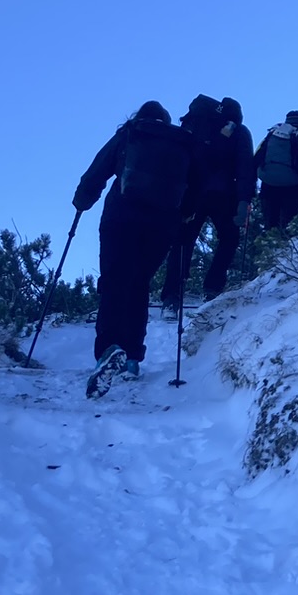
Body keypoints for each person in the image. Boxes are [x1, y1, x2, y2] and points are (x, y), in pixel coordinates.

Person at [72, 101, 199, 395]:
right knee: (140, 283)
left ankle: (108, 349)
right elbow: (195, 186)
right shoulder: (181, 143)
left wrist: (82, 201)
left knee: (114, 281)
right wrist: (185, 216)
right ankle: (132, 357)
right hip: (162, 224)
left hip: (121, 217)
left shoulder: (131, 132)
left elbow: (98, 169)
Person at [159, 95, 255, 309]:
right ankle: (212, 288)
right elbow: (245, 168)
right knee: (229, 239)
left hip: (191, 193)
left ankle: (172, 296)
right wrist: (244, 200)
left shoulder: (196, 125)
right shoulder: (240, 132)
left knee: (183, 241)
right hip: (225, 196)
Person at [253, 110, 298, 229]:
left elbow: (255, 160)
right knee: (291, 227)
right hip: (294, 188)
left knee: (271, 226)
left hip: (268, 186)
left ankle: (269, 238)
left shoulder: (271, 136)